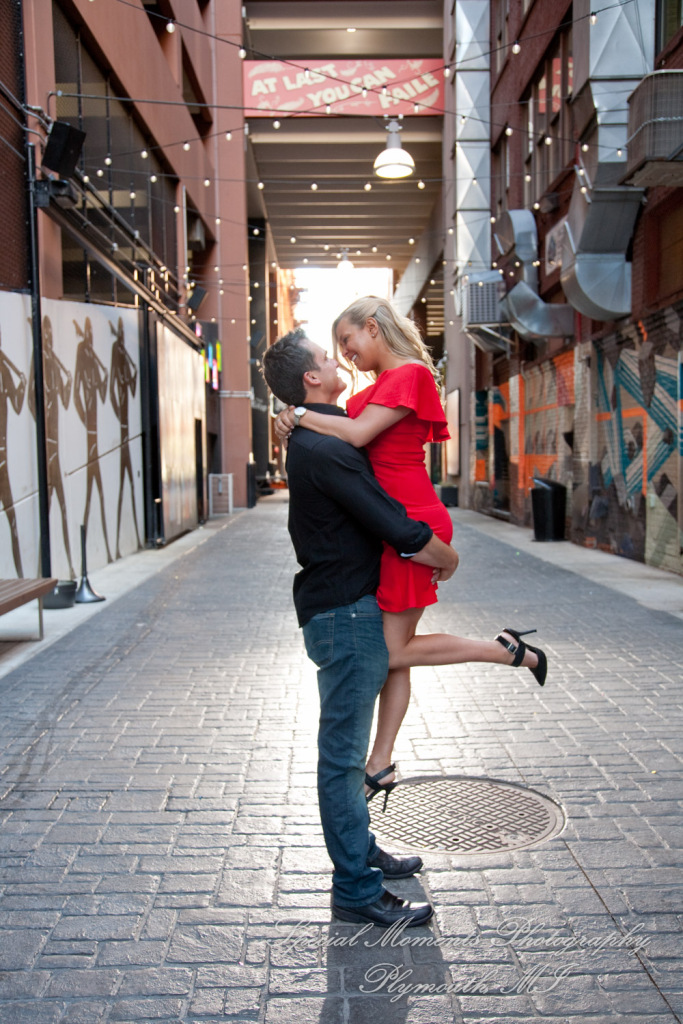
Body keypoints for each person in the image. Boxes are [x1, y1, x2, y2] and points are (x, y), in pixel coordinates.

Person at [275, 297, 547, 808]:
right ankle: (380, 763)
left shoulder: (412, 376)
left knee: (394, 650)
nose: (346, 354)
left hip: (412, 522)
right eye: (336, 351)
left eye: (348, 341)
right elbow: (340, 425)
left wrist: (297, 414)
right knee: (395, 649)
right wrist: (292, 417)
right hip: (391, 523)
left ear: (372, 328)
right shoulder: (378, 388)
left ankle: (504, 650)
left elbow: (353, 433)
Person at [262, 328, 459, 929]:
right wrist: (444, 557)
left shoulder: (314, 434)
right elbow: (390, 522)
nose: (336, 356)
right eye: (326, 355)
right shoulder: (326, 448)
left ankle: (361, 853)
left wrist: (290, 415)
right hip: (345, 616)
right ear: (312, 380)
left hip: (341, 609)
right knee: (343, 758)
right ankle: (355, 887)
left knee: (345, 754)